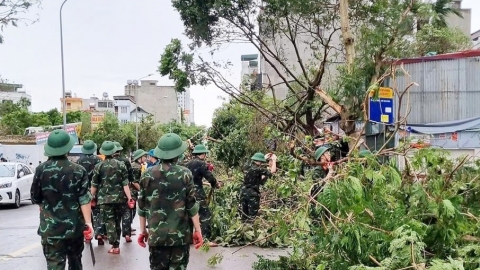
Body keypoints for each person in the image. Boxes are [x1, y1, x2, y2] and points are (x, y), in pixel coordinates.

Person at [137, 133, 203, 270]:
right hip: (180, 237)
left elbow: (142, 207)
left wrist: (143, 231)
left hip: (156, 237)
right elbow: (192, 205)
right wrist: (198, 230)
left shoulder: (147, 174)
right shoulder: (185, 174)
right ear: (178, 153)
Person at [30, 129, 94, 269]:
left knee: (54, 266)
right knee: (75, 262)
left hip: (51, 230)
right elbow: (84, 199)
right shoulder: (79, 170)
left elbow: (35, 197)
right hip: (74, 229)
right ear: (68, 148)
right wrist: (88, 223)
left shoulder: (40, 170)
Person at [91, 141, 133, 254]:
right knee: (117, 221)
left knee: (109, 222)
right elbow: (126, 184)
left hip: (104, 200)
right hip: (120, 199)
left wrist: (91, 197)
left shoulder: (98, 166)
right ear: (114, 151)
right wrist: (129, 198)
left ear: (103, 152)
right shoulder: (121, 165)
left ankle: (115, 246)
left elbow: (94, 185)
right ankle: (117, 244)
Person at [185, 144, 220, 246]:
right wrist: (215, 184)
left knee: (190, 214)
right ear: (203, 154)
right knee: (205, 215)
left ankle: (189, 239)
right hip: (198, 193)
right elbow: (209, 176)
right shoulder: (201, 163)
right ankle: (205, 239)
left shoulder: (187, 164)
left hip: (187, 192)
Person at [76, 140, 106, 245]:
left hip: (83, 191)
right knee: (98, 213)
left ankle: (87, 236)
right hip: (97, 190)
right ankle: (99, 234)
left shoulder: (78, 162)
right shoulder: (99, 160)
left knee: (85, 214)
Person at [240, 152, 277, 221]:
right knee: (252, 216)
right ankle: (250, 229)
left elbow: (259, 178)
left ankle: (243, 229)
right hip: (252, 194)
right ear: (260, 162)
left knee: (244, 214)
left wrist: (264, 158)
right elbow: (272, 172)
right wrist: (274, 160)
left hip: (243, 192)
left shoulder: (246, 166)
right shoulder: (258, 169)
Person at [112, 141, 136, 243]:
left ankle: (114, 239)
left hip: (111, 192)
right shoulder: (125, 161)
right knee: (126, 213)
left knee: (114, 217)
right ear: (120, 150)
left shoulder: (107, 162)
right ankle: (127, 234)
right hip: (125, 190)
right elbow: (131, 176)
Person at [130, 149, 147, 227]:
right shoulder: (136, 167)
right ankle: (127, 230)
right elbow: (134, 181)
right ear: (139, 157)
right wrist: (141, 190)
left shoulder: (134, 165)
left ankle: (128, 229)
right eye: (144, 156)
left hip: (131, 191)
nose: (146, 158)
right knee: (131, 210)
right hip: (132, 191)